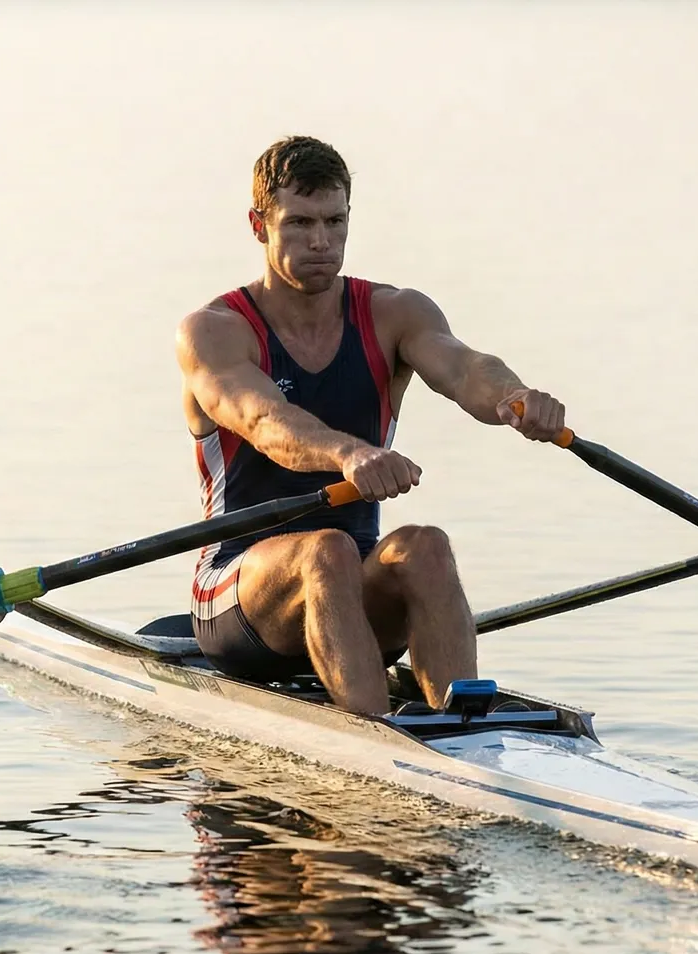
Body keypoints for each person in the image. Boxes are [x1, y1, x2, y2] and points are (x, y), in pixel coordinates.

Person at [176, 136, 567, 717]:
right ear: (259, 226)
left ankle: (461, 732)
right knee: (324, 549)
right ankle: (378, 734)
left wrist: (513, 397)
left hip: (353, 591)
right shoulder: (214, 331)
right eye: (299, 223)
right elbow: (264, 421)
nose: (320, 242)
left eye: (335, 222)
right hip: (239, 594)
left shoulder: (394, 312)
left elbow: (464, 367)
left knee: (425, 546)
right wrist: (348, 453)